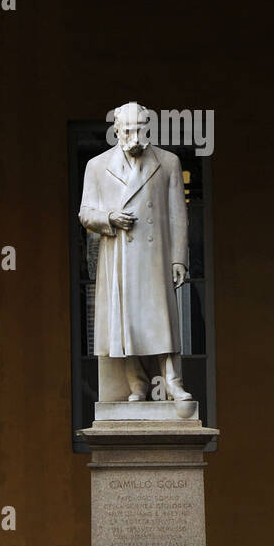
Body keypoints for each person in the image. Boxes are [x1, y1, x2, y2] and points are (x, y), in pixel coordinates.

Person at [79, 101, 192, 402]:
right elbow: (86, 213)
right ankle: (137, 384)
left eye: (140, 130)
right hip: (120, 257)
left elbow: (177, 214)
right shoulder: (97, 166)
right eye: (128, 130)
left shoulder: (167, 162)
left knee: (161, 320)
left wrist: (179, 257)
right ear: (116, 129)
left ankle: (173, 381)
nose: (134, 136)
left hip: (154, 258)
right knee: (125, 322)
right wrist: (109, 218)